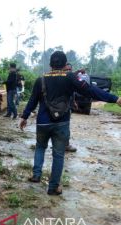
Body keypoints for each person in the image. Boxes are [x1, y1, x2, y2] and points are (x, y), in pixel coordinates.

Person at [19, 51, 121, 195]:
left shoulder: (40, 80)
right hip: (61, 122)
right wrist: (114, 99)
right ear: (65, 64)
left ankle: (36, 175)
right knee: (58, 154)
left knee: (40, 147)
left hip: (42, 122)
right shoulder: (70, 77)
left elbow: (32, 100)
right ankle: (53, 187)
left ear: (50, 64)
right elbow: (90, 90)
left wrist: (24, 117)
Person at [63, 63, 77, 152]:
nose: (68, 71)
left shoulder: (71, 79)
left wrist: (74, 102)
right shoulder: (60, 79)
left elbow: (72, 93)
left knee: (66, 125)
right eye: (66, 70)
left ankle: (65, 144)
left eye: (69, 70)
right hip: (59, 107)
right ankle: (62, 144)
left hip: (68, 106)